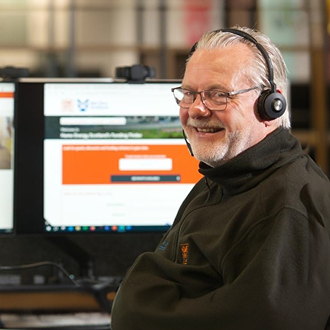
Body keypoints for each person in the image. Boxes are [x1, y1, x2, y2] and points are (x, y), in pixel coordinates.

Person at [110, 26, 330, 330]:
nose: (197, 109)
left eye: (218, 94)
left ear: (271, 105)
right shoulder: (218, 182)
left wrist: (144, 291)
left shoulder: (289, 206)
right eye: (188, 94)